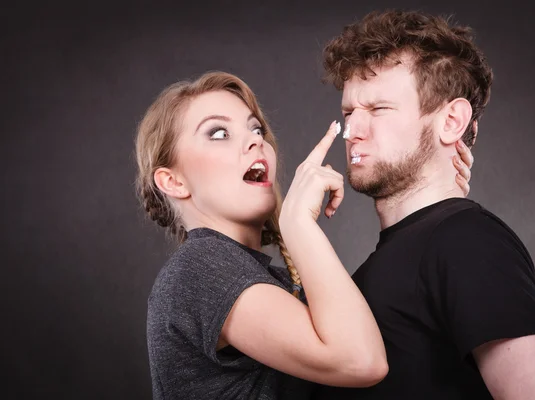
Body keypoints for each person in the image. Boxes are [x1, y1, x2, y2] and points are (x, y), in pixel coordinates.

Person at [134, 71, 474, 399]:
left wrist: (435, 197)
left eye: (257, 129)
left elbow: (391, 340)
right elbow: (362, 360)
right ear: (173, 181)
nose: (255, 139)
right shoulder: (200, 269)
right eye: (219, 133)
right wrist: (297, 224)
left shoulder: (273, 282)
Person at [311, 9, 535, 400]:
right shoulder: (394, 262)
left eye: (379, 109)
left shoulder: (468, 241)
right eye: (349, 112)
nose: (352, 131)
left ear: (451, 121)